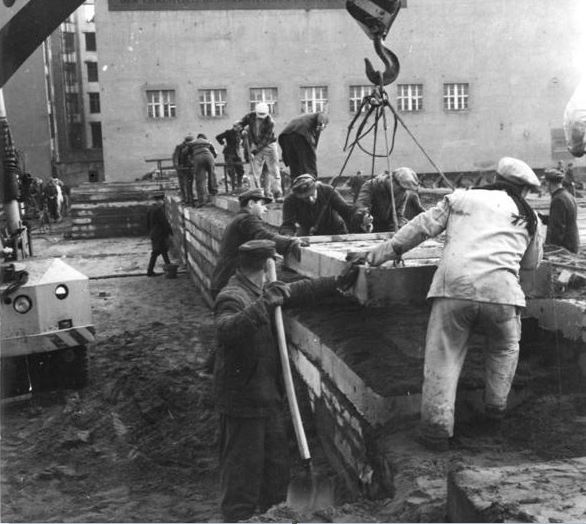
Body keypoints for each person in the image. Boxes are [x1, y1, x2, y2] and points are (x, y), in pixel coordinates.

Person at [358, 157, 544, 451]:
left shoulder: (463, 198)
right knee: (504, 350)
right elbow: (532, 264)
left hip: (454, 288)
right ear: (524, 189)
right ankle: (493, 417)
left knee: (443, 357)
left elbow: (420, 227)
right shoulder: (529, 215)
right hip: (503, 295)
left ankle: (436, 432)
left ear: (494, 177)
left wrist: (376, 255)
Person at [214, 239, 359, 522]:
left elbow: (298, 291)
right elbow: (226, 330)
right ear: (265, 267)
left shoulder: (262, 288)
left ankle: (274, 513)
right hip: (242, 402)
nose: (279, 268)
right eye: (276, 263)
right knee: (242, 473)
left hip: (268, 395)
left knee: (277, 467)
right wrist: (263, 304)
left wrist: (337, 281)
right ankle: (236, 517)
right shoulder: (232, 295)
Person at [211, 188, 302, 300]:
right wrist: (290, 242)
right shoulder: (247, 219)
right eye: (262, 204)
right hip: (230, 284)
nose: (265, 209)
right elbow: (263, 236)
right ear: (251, 203)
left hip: (224, 280)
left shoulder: (239, 219)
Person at [280, 174, 369, 236]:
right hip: (308, 233)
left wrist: (361, 215)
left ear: (316, 187)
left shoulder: (327, 191)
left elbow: (346, 211)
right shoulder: (290, 200)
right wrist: (288, 236)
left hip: (335, 231)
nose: (309, 199)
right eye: (304, 198)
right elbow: (287, 225)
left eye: (311, 194)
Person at [355, 168, 426, 233]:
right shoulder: (371, 185)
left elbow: (399, 215)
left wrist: (400, 225)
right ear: (391, 179)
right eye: (401, 188)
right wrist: (364, 216)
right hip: (366, 228)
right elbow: (361, 205)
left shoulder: (403, 194)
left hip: (385, 230)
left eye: (405, 190)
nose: (402, 192)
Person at [237, 102, 282, 201]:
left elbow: (265, 140)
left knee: (274, 170)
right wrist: (241, 130)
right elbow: (238, 124)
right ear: (256, 112)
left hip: (269, 145)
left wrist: (254, 151)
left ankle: (277, 194)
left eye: (263, 115)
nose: (261, 117)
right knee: (254, 171)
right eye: (259, 115)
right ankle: (255, 193)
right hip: (256, 144)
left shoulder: (270, 122)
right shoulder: (250, 116)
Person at [539, 169, 580, 253]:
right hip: (572, 244)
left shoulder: (558, 199)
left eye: (544, 183)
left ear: (548, 183)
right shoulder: (567, 196)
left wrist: (550, 249)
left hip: (565, 248)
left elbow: (557, 229)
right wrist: (542, 218)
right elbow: (562, 219)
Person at [277, 112, 328, 181]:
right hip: (300, 133)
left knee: (295, 166)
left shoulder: (307, 118)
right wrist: (321, 125)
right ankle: (311, 184)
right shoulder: (320, 117)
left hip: (285, 136)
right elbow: (322, 117)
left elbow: (315, 140)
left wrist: (313, 150)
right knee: (309, 164)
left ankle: (297, 186)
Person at [146, 193, 173, 276]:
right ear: (159, 201)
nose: (163, 202)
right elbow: (164, 222)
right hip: (160, 234)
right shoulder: (158, 209)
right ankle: (150, 271)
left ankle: (169, 268)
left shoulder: (150, 209)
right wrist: (169, 231)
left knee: (162, 251)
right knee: (156, 252)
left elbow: (147, 223)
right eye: (162, 201)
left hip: (154, 233)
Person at [216, 123, 245, 193]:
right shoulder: (228, 132)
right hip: (229, 153)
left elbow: (244, 139)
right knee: (231, 171)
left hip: (237, 153)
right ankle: (233, 188)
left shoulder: (240, 133)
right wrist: (223, 143)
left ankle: (239, 187)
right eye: (239, 127)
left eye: (240, 127)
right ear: (235, 127)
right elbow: (218, 137)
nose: (240, 128)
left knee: (240, 170)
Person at [190, 133, 218, 207]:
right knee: (212, 174)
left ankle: (202, 201)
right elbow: (215, 153)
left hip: (198, 158)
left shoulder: (192, 143)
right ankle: (213, 193)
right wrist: (212, 158)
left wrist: (191, 161)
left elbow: (185, 153)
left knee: (200, 179)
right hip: (209, 157)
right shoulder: (208, 142)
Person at [172, 134, 195, 204]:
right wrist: (176, 165)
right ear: (187, 142)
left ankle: (190, 199)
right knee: (183, 184)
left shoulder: (192, 146)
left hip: (190, 168)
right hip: (182, 168)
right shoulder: (179, 147)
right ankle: (185, 199)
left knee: (190, 184)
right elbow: (175, 156)